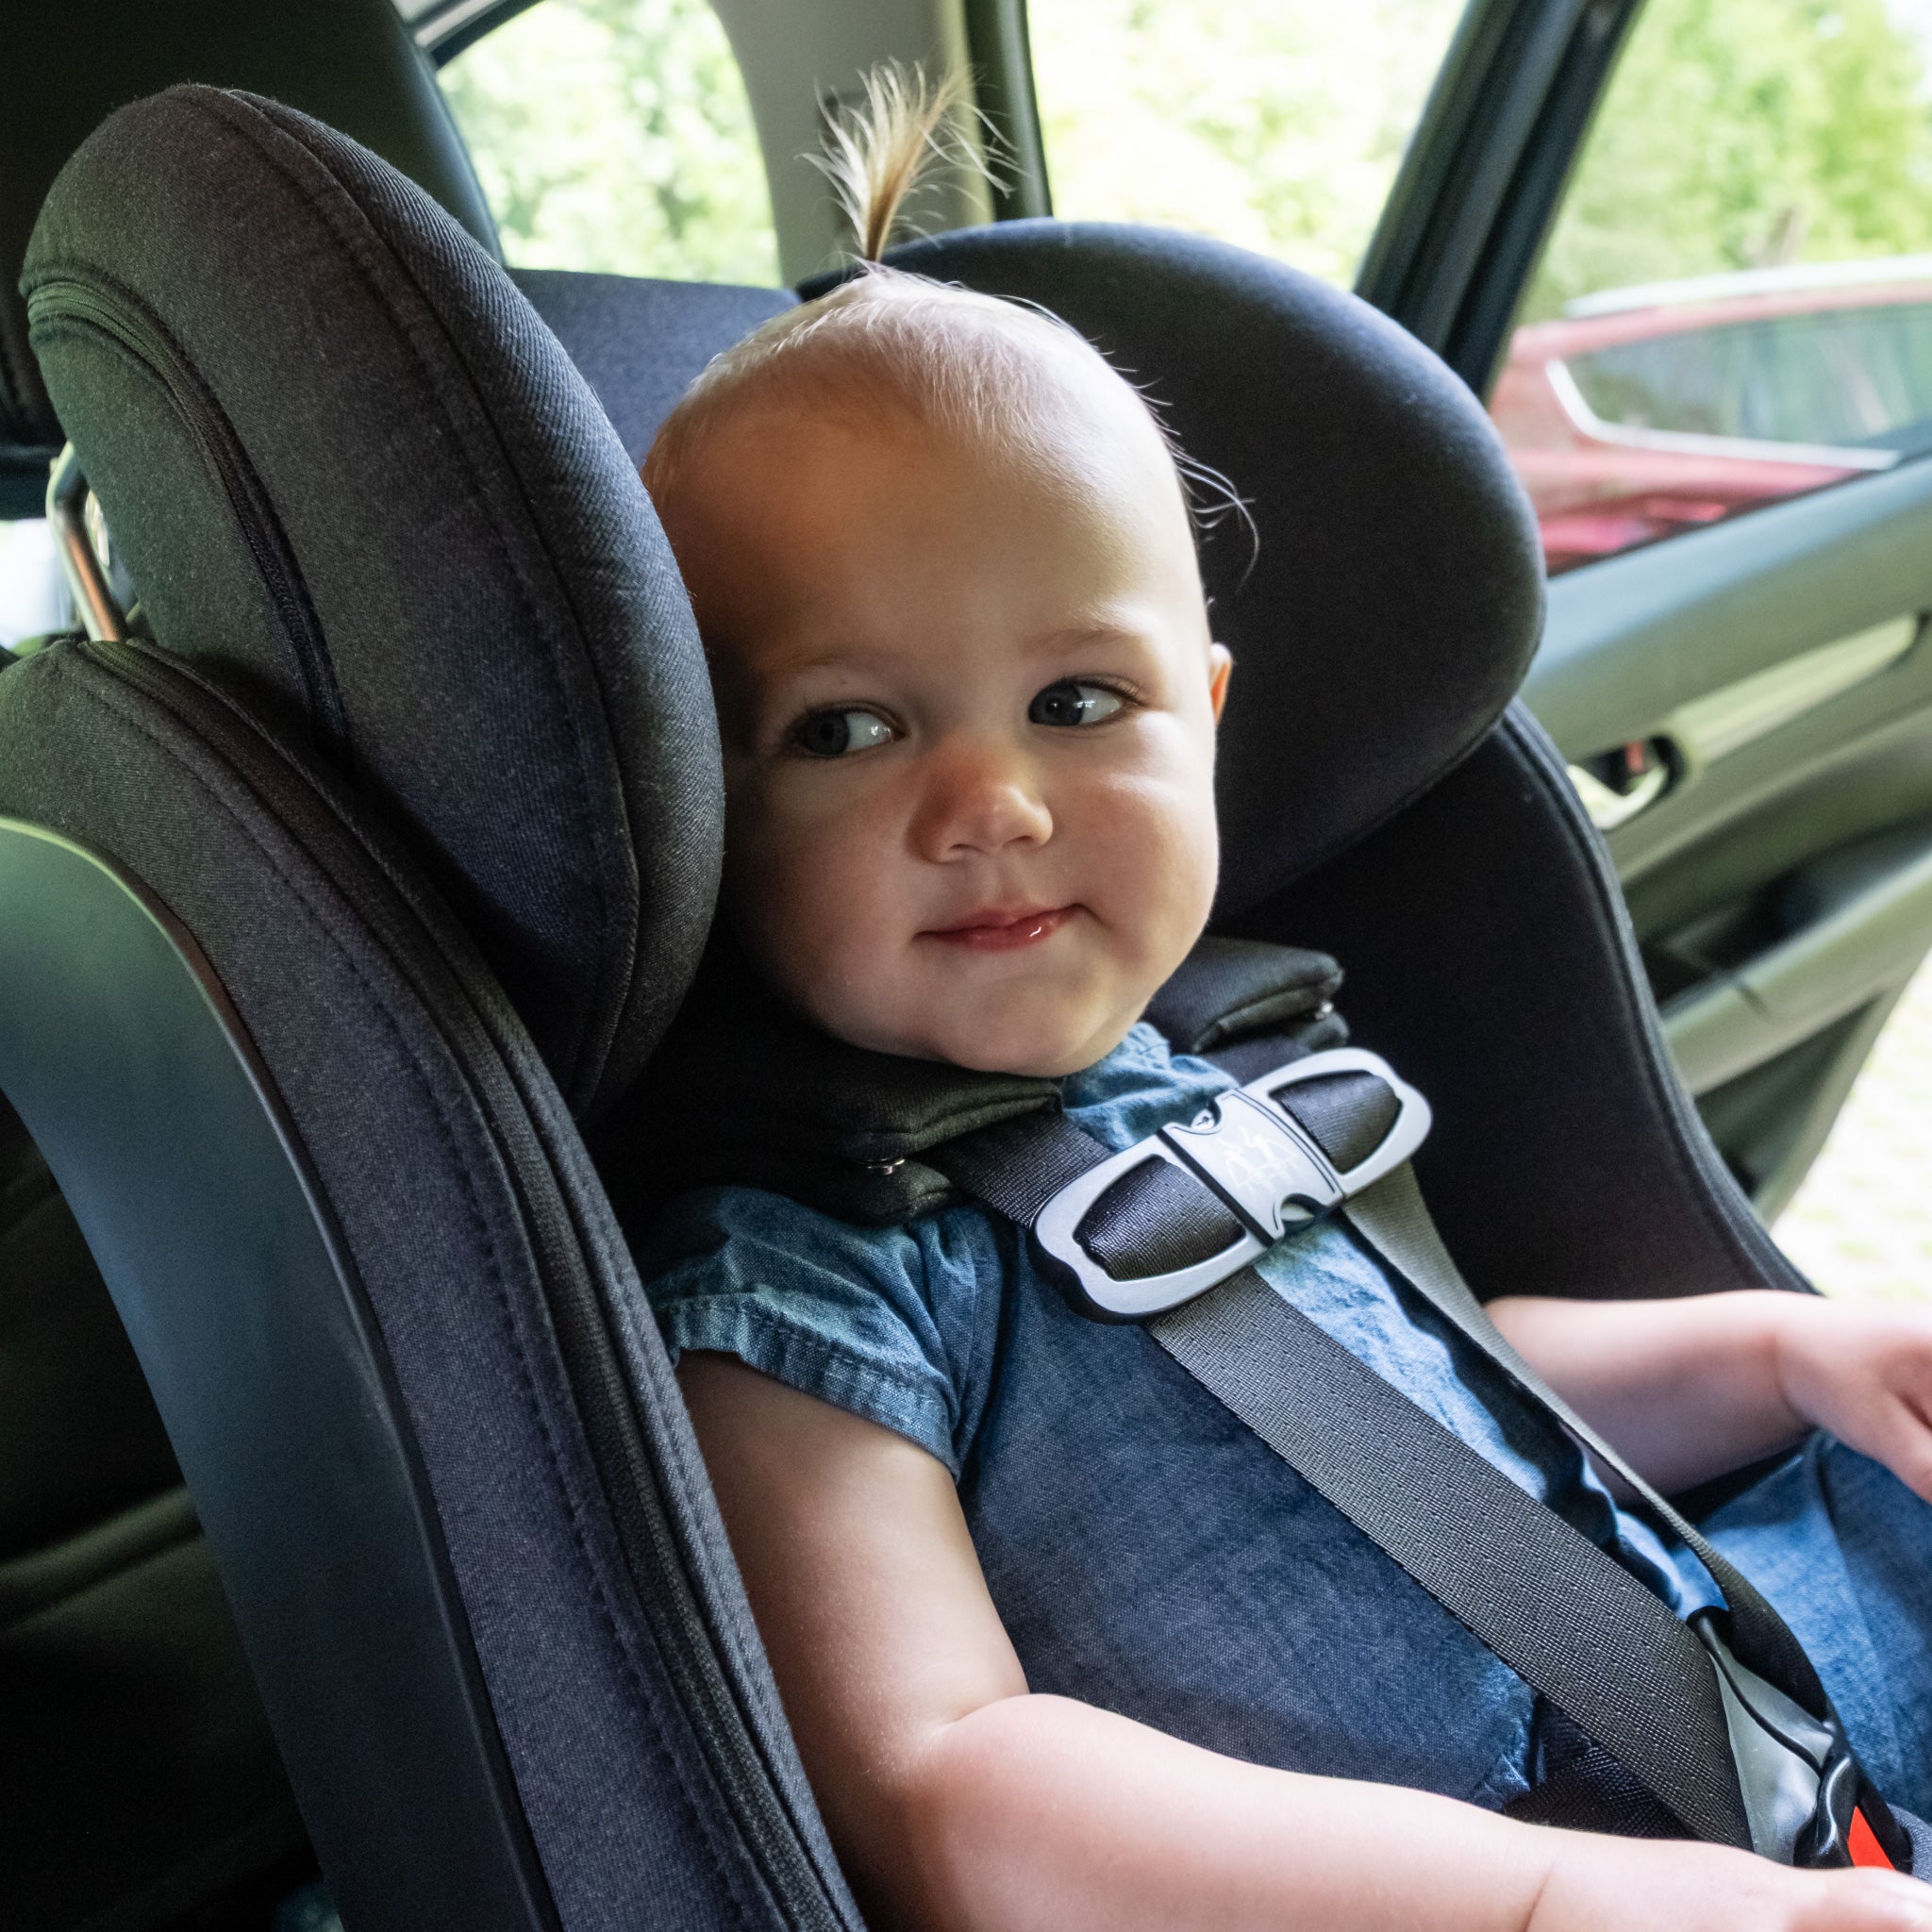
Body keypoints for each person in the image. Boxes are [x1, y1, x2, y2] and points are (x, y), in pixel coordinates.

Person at [625, 64, 1932, 1932]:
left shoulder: (1239, 1073)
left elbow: (1446, 1404)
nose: (993, 801)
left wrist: (1787, 1359)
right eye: (845, 726)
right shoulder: (798, 1277)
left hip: (1769, 1757)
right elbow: (948, 1789)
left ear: (1205, 722)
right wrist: (1555, 1904)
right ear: (703, 805)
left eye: (1079, 703)